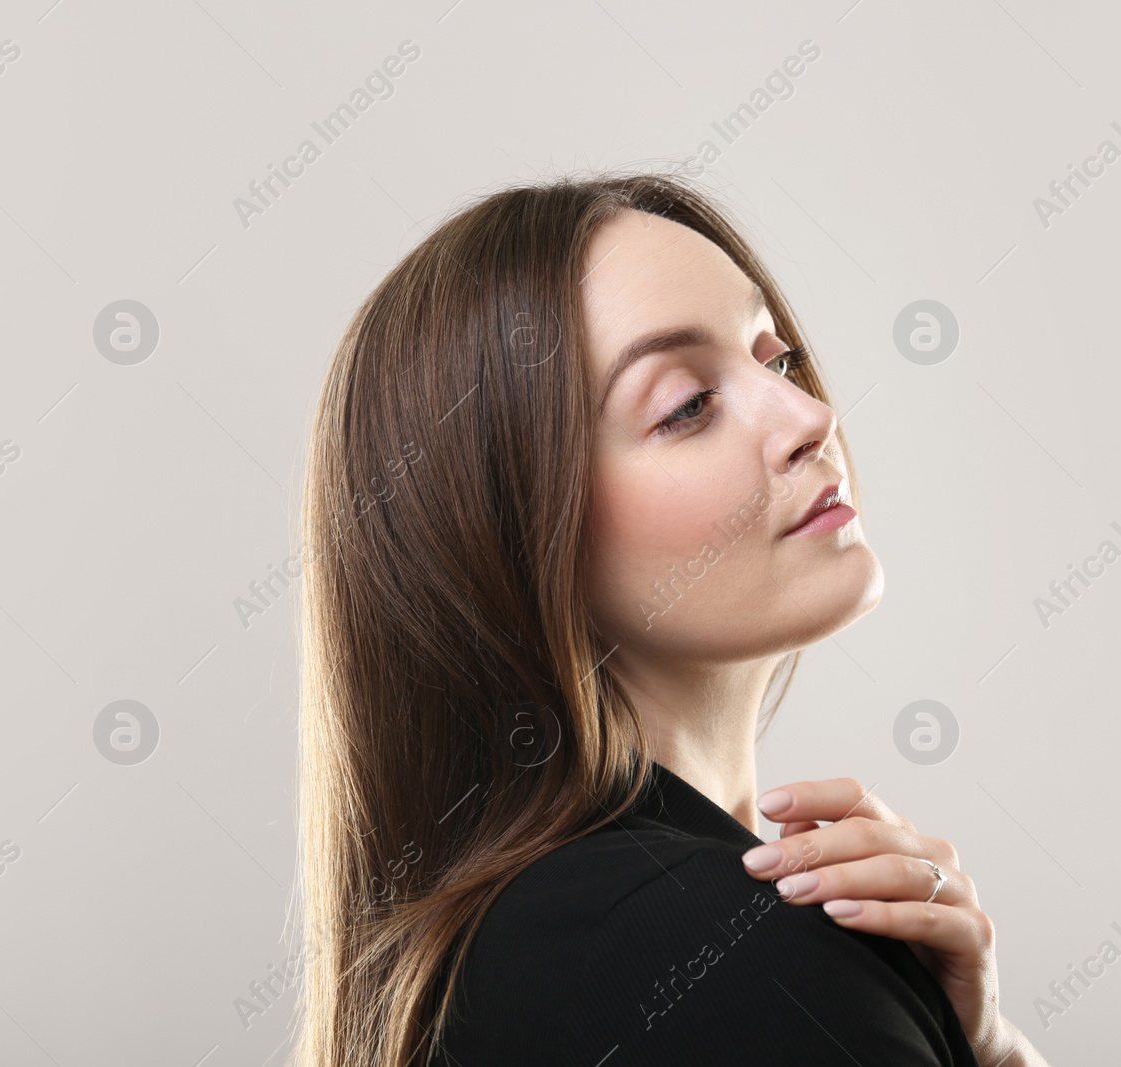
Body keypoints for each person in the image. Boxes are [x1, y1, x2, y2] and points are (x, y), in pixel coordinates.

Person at [288, 172, 1050, 1066]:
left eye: (776, 359)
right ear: (511, 536)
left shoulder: (552, 940)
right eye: (686, 405)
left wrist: (980, 1047)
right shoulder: (701, 958)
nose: (812, 417)